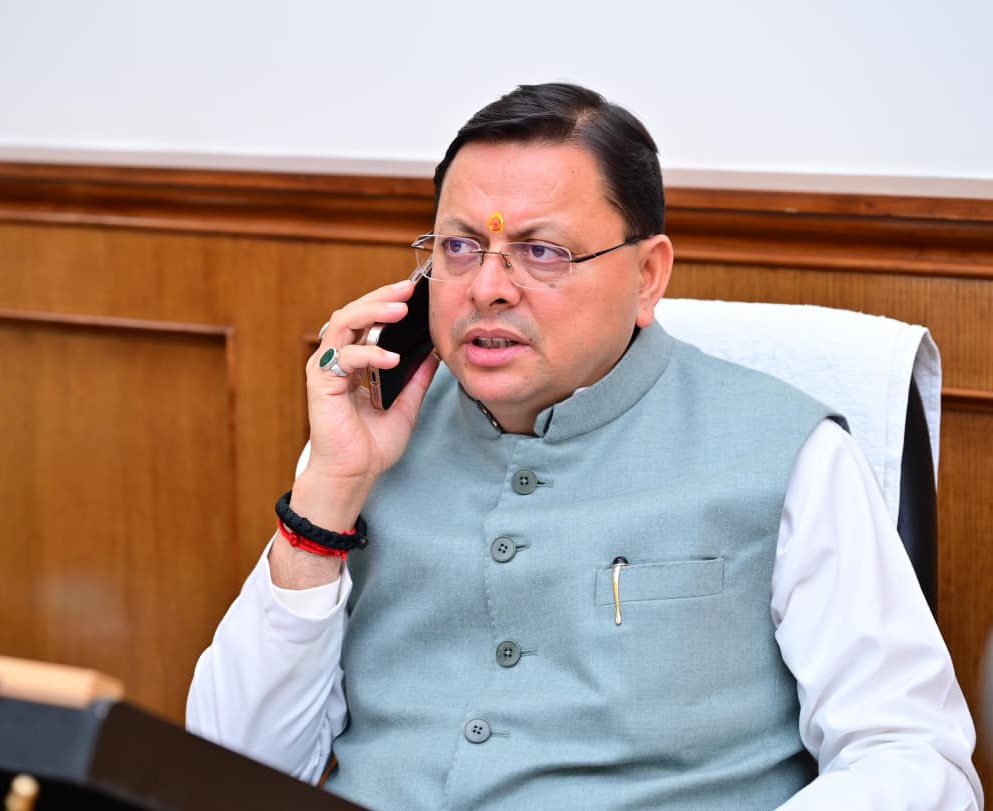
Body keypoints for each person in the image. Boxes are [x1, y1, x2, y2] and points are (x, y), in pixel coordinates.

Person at [186, 83, 982, 809]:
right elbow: (225, 769)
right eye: (459, 247)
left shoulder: (789, 455)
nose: (488, 286)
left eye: (543, 252)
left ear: (648, 276)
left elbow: (913, 757)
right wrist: (328, 495)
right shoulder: (366, 439)